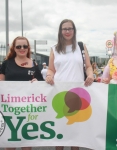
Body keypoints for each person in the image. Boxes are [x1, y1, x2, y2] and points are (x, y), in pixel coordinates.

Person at [45, 19, 94, 150]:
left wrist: (90, 75)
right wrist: (49, 75)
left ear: (74, 30)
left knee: (75, 131)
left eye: (70, 28)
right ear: (60, 31)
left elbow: (88, 66)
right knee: (60, 130)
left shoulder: (81, 46)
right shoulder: (54, 49)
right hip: (59, 92)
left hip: (77, 92)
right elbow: (51, 69)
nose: (67, 31)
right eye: (64, 29)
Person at [0, 36, 43, 150]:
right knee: (10, 142)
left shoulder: (34, 65)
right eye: (18, 46)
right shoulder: (7, 63)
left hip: (27, 108)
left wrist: (37, 82)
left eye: (25, 46)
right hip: (9, 108)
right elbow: (0, 82)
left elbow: (42, 83)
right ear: (14, 48)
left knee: (26, 142)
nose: (22, 48)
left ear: (28, 48)